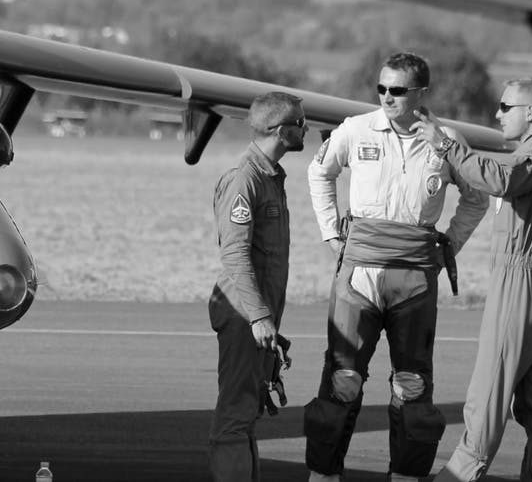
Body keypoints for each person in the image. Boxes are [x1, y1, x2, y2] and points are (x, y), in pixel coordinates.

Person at [304, 52, 489, 482]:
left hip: (416, 277)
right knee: (343, 378)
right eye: (382, 88)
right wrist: (332, 233)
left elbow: (477, 196)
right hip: (360, 271)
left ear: (422, 93)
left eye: (398, 90)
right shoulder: (355, 129)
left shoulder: (447, 140)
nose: (387, 97)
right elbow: (320, 173)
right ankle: (323, 474)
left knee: (412, 385)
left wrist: (450, 246)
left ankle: (406, 475)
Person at [410, 78, 532, 482]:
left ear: (531, 113)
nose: (497, 114)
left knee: (488, 394)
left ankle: (459, 475)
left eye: (505, 106)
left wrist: (447, 145)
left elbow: (499, 179)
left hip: (521, 285)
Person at [208, 91, 308, 481]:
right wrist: (259, 316)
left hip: (254, 315)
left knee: (247, 413)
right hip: (241, 313)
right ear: (282, 131)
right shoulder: (244, 180)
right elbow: (234, 256)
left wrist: (267, 322)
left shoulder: (270, 177)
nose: (306, 128)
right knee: (234, 416)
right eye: (300, 122)